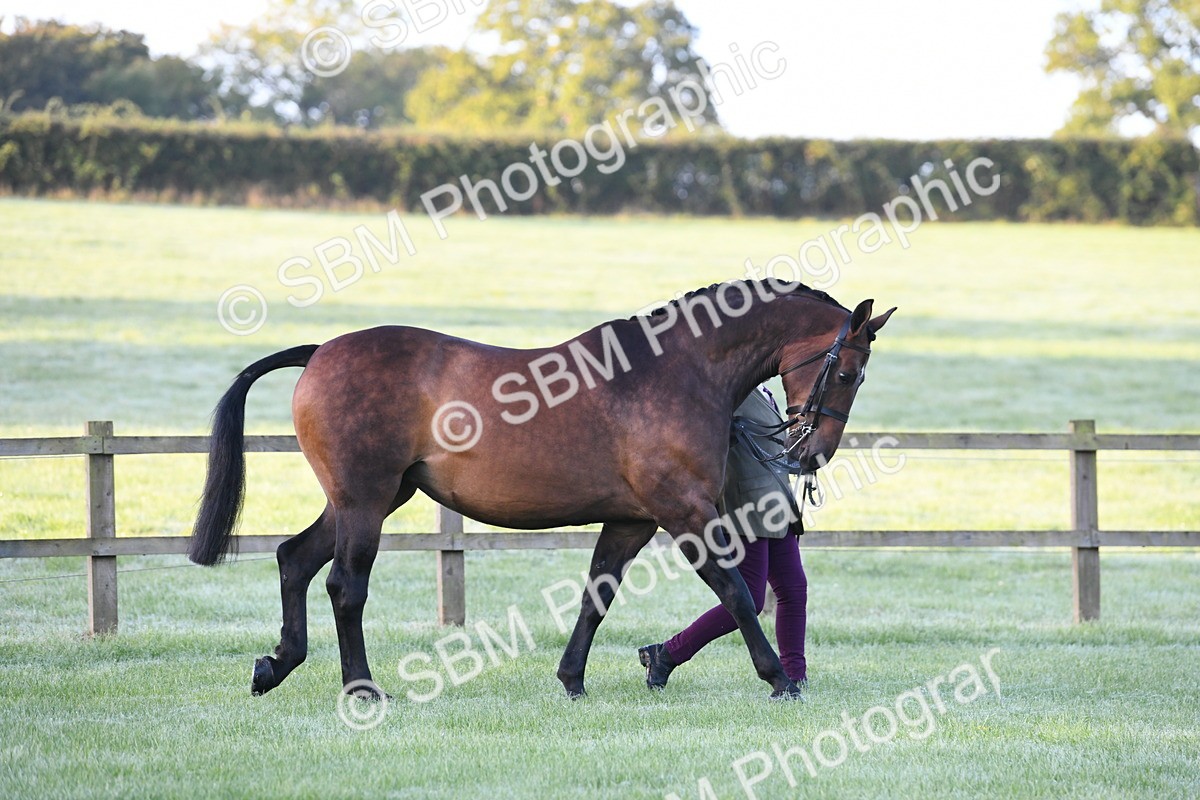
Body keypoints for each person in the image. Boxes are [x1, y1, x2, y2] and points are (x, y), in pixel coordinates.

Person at [638, 384, 809, 688]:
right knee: (750, 601)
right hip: (744, 506)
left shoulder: (760, 387)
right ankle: (666, 654)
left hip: (777, 501)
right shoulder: (727, 388)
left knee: (793, 589)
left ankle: (795, 673)